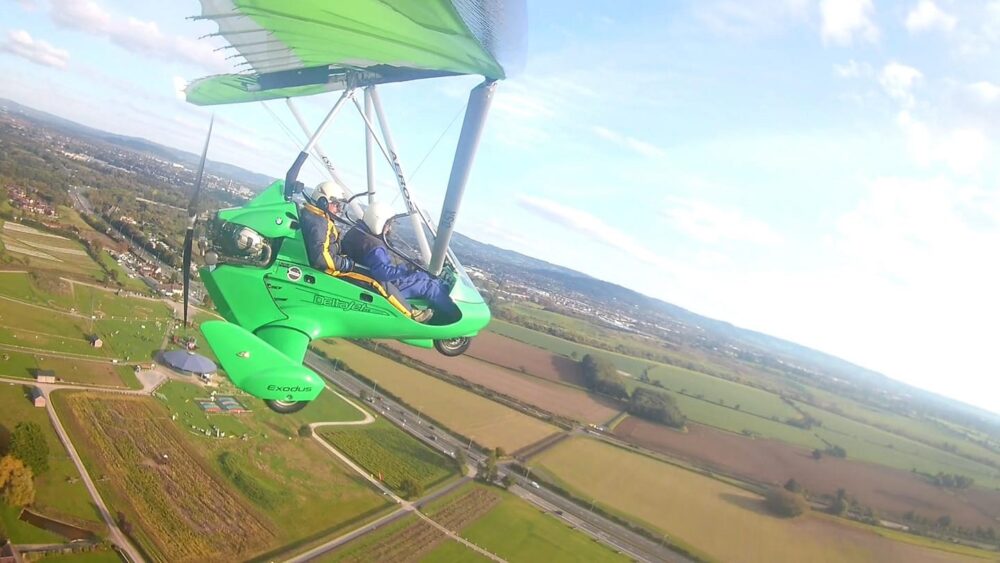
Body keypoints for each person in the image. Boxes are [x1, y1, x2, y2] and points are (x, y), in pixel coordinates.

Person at [300, 182, 432, 323]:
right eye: (336, 204)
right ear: (323, 201)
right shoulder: (320, 223)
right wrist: (345, 264)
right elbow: (321, 257)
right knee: (377, 280)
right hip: (330, 271)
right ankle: (411, 314)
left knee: (375, 274)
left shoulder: (316, 217)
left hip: (334, 265)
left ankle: (407, 306)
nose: (338, 209)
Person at [342, 201, 460, 324]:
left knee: (423, 277)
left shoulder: (357, 232)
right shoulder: (373, 246)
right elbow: (383, 272)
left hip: (363, 279)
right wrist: (409, 268)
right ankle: (454, 319)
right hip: (380, 285)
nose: (389, 229)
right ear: (379, 222)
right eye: (388, 224)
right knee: (429, 283)